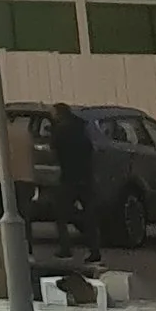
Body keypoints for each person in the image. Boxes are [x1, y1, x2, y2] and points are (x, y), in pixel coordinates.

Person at [51, 101, 100, 263]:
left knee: (61, 213)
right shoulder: (82, 128)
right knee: (89, 215)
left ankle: (66, 248)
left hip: (69, 177)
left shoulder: (60, 131)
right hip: (85, 176)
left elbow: (54, 150)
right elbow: (90, 149)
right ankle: (94, 250)